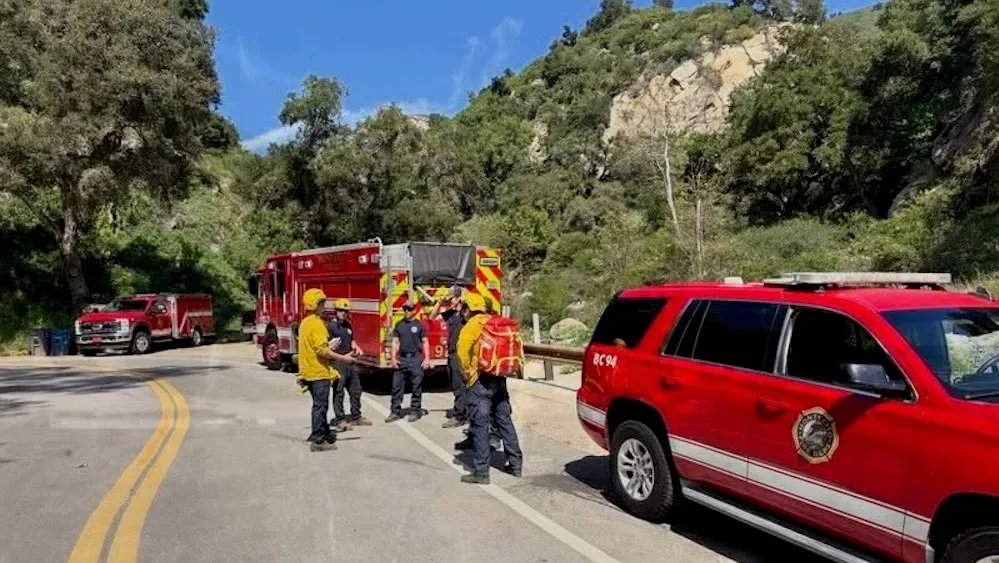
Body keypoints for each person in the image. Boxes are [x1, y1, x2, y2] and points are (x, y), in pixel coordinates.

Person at [456, 293, 523, 484]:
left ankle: (481, 472)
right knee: (504, 420)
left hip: (480, 380)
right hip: (499, 377)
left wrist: (467, 371)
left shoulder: (472, 325)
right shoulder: (495, 321)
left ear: (469, 309)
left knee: (479, 424)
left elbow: (462, 350)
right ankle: (515, 464)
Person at [297, 288, 355, 452]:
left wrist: (328, 346)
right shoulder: (317, 324)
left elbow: (315, 347)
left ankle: (323, 432)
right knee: (320, 406)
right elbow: (322, 351)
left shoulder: (305, 323)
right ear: (315, 304)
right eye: (322, 303)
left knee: (319, 405)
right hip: (318, 372)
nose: (324, 306)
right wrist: (344, 358)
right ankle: (318, 440)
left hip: (308, 370)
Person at [427, 285, 467, 429]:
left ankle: (460, 415)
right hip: (451, 354)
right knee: (455, 384)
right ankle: (463, 412)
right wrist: (439, 303)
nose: (450, 300)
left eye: (453, 298)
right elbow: (431, 317)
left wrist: (463, 300)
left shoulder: (466, 314)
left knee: (459, 386)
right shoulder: (451, 314)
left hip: (461, 355)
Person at [328, 298, 371, 431]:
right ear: (335, 311)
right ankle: (340, 419)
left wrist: (356, 347)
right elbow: (326, 346)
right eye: (341, 310)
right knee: (339, 391)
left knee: (356, 389)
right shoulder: (330, 326)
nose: (343, 313)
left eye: (345, 311)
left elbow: (352, 341)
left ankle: (356, 416)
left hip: (349, 361)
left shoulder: (347, 325)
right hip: (337, 361)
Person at [386, 299, 430, 423]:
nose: (406, 311)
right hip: (402, 359)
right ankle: (395, 411)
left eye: (409, 309)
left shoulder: (419, 325)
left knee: (416, 387)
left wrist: (426, 358)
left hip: (415, 358)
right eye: (404, 309)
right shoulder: (399, 324)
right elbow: (395, 342)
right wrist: (393, 358)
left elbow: (425, 342)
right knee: (396, 387)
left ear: (414, 310)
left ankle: (415, 411)